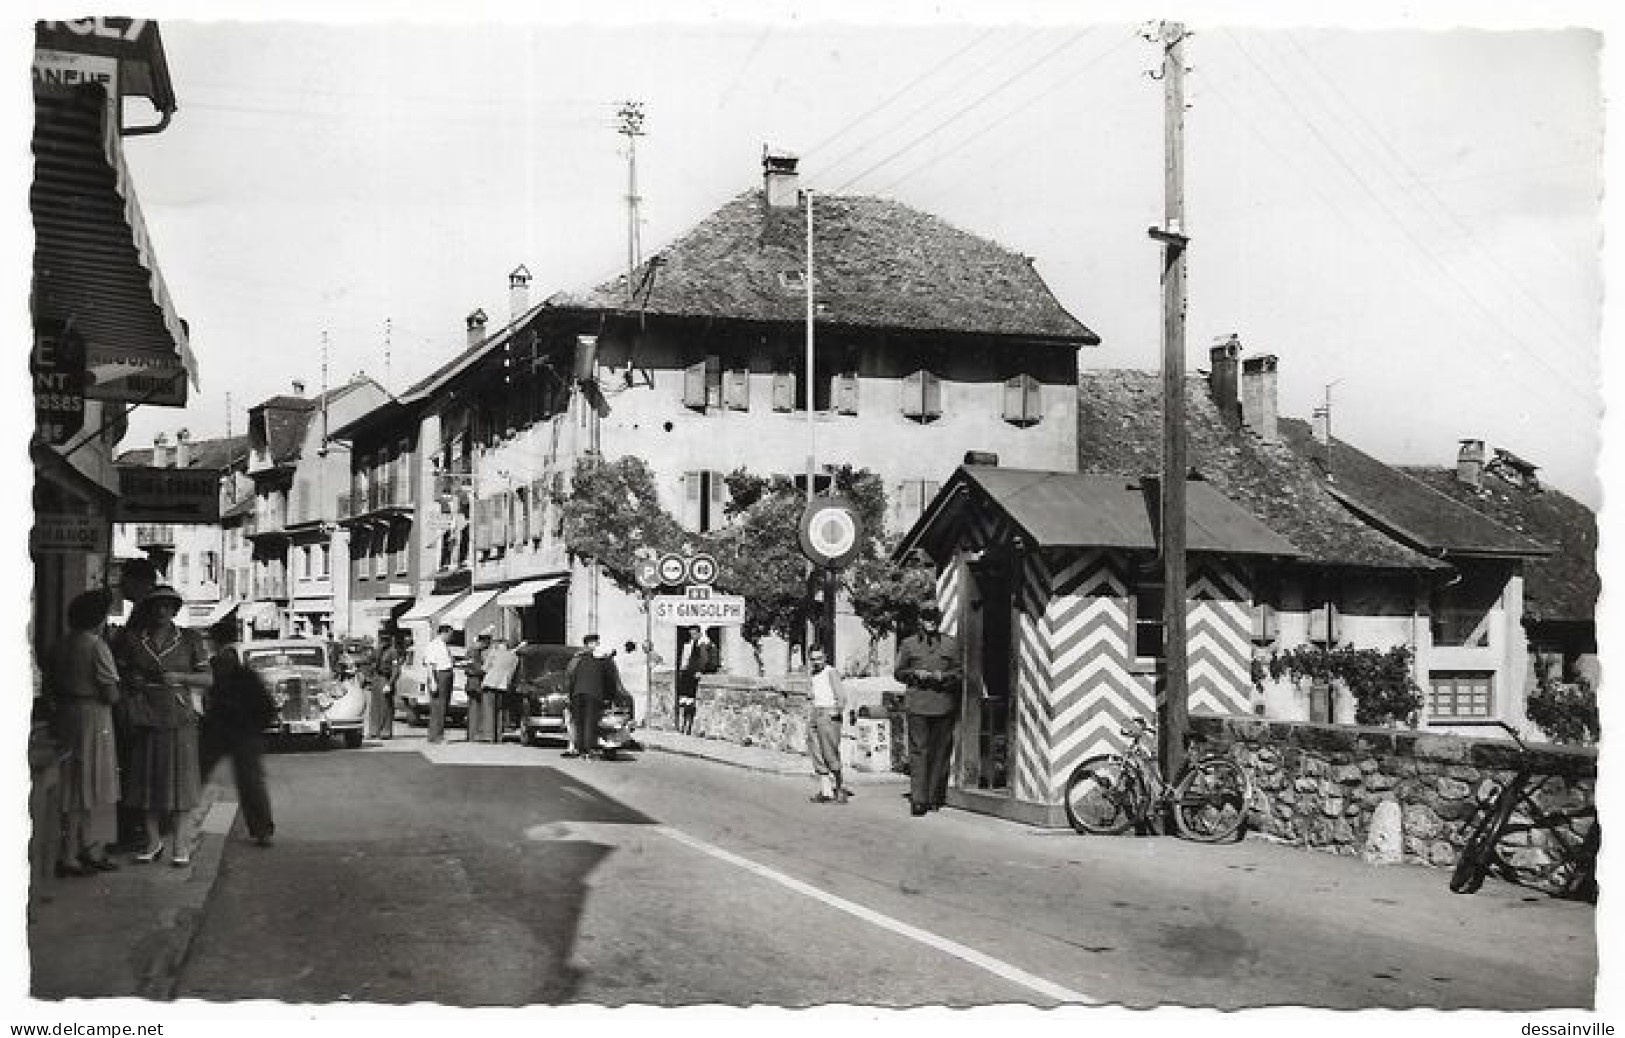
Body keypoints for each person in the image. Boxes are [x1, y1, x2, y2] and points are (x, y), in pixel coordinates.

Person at [113, 585, 210, 865]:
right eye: (157, 606)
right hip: (145, 716)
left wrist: (181, 677)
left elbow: (207, 678)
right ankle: (153, 842)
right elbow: (118, 674)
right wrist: (133, 682)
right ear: (149, 609)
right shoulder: (133, 639)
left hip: (179, 718)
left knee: (180, 784)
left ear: (175, 610)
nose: (162, 612)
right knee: (147, 782)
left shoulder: (190, 639)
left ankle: (180, 845)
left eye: (168, 606)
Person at [44, 591, 123, 876]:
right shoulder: (96, 646)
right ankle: (77, 852)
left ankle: (77, 849)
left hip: (65, 715)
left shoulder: (59, 645)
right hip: (92, 716)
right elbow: (111, 693)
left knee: (71, 782)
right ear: (99, 619)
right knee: (90, 783)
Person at [201, 620, 277, 847]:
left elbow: (213, 696)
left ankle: (177, 823)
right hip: (246, 731)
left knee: (196, 772)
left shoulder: (216, 664)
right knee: (251, 781)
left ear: (214, 641)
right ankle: (262, 830)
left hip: (223, 728)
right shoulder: (246, 671)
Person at [108, 557, 159, 853]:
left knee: (133, 765)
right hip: (140, 698)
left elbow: (132, 653)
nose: (120, 585)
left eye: (124, 579)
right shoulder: (145, 610)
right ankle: (138, 828)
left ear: (138, 581)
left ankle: (134, 830)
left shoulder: (145, 611)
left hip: (136, 699)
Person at [894, 604, 962, 817]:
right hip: (918, 705)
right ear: (920, 621)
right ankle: (919, 800)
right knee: (918, 751)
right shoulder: (908, 644)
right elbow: (898, 673)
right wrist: (915, 673)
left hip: (943, 704)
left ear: (939, 620)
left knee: (940, 753)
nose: (930, 622)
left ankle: (933, 797)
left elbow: (960, 673)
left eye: (934, 618)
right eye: (926, 618)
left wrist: (944, 677)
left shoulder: (951, 644)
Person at [564, 633, 624, 759]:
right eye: (596, 643)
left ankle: (580, 749)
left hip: (577, 693)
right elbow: (610, 679)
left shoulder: (577, 658)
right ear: (589, 644)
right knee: (589, 721)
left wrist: (569, 694)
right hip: (593, 694)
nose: (597, 645)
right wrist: (611, 696)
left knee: (579, 722)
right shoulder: (602, 658)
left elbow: (569, 676)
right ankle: (587, 750)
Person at [804, 647, 850, 805]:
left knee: (830, 752)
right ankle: (826, 791)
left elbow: (842, 697)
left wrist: (835, 711)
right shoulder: (814, 675)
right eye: (813, 659)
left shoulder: (831, 672)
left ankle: (840, 788)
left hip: (828, 715)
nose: (817, 662)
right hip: (816, 713)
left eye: (819, 658)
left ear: (825, 657)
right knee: (816, 752)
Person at [676, 626, 717, 736]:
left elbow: (704, 660)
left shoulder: (703, 644)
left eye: (694, 633)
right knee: (684, 701)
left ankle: (688, 726)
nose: (692, 636)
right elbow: (687, 659)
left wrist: (700, 671)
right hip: (687, 673)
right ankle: (683, 725)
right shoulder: (691, 644)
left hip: (693, 674)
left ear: (699, 633)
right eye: (691, 634)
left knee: (690, 701)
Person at [481, 635, 520, 743]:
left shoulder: (494, 653)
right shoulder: (514, 657)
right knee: (500, 711)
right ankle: (498, 736)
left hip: (490, 683)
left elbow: (485, 668)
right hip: (503, 685)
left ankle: (489, 736)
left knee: (489, 710)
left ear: (498, 645)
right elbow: (512, 673)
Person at [423, 624, 455, 744]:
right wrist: (433, 681)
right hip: (438, 675)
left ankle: (434, 735)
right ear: (444, 633)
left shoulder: (444, 645)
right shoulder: (433, 645)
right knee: (439, 707)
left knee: (442, 707)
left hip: (445, 674)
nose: (451, 637)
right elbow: (430, 664)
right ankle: (437, 736)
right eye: (450, 634)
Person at [368, 634, 400, 741]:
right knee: (375, 706)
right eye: (382, 639)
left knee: (386, 707)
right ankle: (374, 730)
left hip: (386, 678)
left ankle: (386, 731)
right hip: (377, 678)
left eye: (386, 640)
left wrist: (390, 683)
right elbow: (370, 662)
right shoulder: (377, 651)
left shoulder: (393, 652)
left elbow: (396, 670)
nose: (383, 642)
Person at [464, 628, 491, 743]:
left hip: (475, 682)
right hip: (474, 683)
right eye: (487, 643)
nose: (488, 646)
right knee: (475, 710)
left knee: (475, 710)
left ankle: (474, 734)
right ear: (483, 642)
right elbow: (473, 669)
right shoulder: (473, 652)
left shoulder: (476, 651)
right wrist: (486, 670)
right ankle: (473, 734)